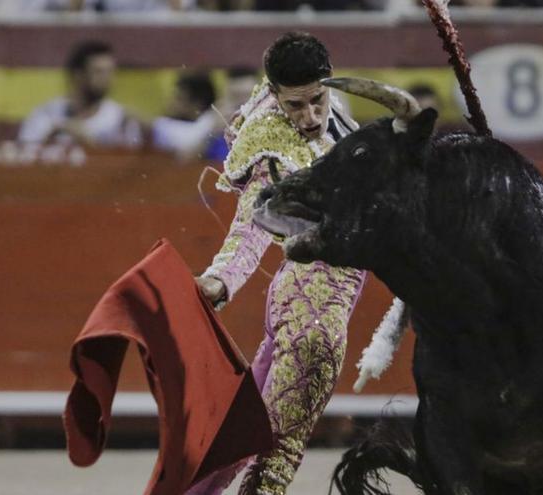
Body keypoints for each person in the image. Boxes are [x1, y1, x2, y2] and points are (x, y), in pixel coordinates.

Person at [188, 31, 364, 495]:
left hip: (318, 299)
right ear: (276, 96)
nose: (309, 117)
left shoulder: (336, 112)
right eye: (295, 106)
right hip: (311, 305)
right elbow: (250, 226)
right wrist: (219, 280)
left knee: (244, 434)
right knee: (277, 452)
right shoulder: (266, 135)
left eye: (316, 101)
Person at [18, 40, 143, 148]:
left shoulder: (120, 120)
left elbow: (128, 170)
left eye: (110, 72)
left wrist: (90, 144)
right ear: (79, 75)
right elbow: (22, 162)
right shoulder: (46, 115)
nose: (107, 79)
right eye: (99, 72)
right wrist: (50, 137)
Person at [152, 71, 219, 158]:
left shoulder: (212, 123)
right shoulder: (179, 123)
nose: (171, 103)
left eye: (179, 99)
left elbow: (187, 149)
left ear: (197, 104)